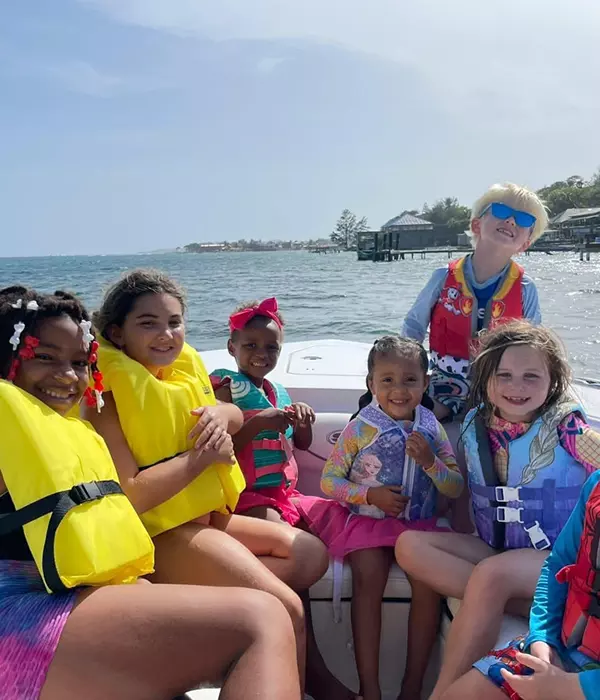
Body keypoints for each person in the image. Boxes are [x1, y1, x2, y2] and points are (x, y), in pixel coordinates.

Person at [0, 285, 301, 700]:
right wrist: (200, 457)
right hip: (18, 615)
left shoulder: (74, 423)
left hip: (70, 590)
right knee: (262, 619)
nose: (68, 376)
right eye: (44, 357)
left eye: (78, 362)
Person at [88, 270, 329, 695]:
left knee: (309, 555)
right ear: (116, 333)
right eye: (148, 323)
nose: (166, 335)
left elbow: (233, 418)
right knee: (284, 607)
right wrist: (200, 460)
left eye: (174, 322)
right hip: (161, 532)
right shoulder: (106, 393)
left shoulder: (180, 373)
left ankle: (216, 627)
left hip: (204, 518)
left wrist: (224, 414)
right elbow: (130, 494)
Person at [395, 321, 600, 699]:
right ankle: (524, 604)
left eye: (530, 376)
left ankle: (440, 694)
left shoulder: (566, 429)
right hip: (498, 546)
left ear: (552, 380)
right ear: (486, 377)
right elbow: (465, 490)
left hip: (552, 558)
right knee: (409, 545)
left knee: (491, 575)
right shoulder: (475, 423)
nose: (515, 387)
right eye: (503, 375)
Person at [299, 336, 464, 700]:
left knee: (428, 584)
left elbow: (453, 487)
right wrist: (369, 495)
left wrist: (430, 463)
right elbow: (329, 480)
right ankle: (369, 688)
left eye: (409, 380)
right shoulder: (361, 428)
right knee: (368, 576)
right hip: (367, 523)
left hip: (418, 528)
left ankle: (412, 686)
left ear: (425, 383)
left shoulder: (431, 428)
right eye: (387, 380)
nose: (398, 390)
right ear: (372, 384)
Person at [211, 297, 355, 700]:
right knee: (297, 559)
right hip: (249, 498)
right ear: (232, 348)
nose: (262, 354)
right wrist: (263, 422)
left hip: (286, 496)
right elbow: (222, 442)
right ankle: (309, 672)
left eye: (271, 347)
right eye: (251, 346)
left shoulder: (278, 391)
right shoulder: (224, 386)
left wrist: (300, 421)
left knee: (350, 527)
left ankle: (312, 669)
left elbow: (301, 444)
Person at [441, 470, 600, 700]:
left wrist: (568, 687)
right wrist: (543, 639)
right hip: (567, 648)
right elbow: (558, 563)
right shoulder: (595, 485)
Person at [402, 182, 548, 422]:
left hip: (499, 393)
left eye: (523, 219)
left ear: (525, 244)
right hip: (444, 386)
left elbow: (534, 346)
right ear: (476, 225)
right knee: (409, 417)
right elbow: (413, 327)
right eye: (501, 211)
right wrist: (407, 374)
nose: (511, 221)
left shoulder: (525, 288)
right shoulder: (443, 277)